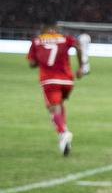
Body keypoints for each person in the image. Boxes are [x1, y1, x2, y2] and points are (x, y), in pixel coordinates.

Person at [27, 24, 86, 155]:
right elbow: (78, 46)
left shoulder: (37, 40)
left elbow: (31, 64)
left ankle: (63, 132)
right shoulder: (65, 38)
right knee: (58, 105)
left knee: (52, 108)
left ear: (43, 30)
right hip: (67, 80)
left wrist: (38, 60)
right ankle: (63, 136)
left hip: (49, 80)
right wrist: (81, 66)